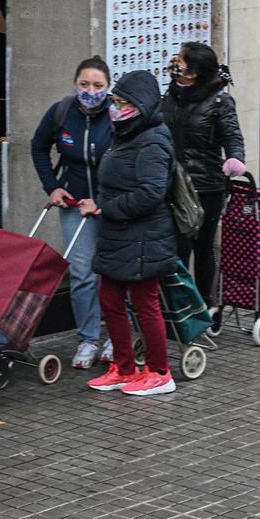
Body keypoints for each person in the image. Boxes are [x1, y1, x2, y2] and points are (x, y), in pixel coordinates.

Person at [85, 70, 181, 397]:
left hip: (143, 235)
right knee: (110, 299)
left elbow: (152, 192)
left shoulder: (153, 139)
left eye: (123, 102)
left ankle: (159, 372)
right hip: (117, 233)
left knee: (145, 302)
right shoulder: (126, 133)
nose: (116, 107)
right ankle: (124, 368)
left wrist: (107, 207)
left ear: (141, 104)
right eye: (115, 101)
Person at [30, 57, 114, 370]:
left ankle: (118, 336)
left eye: (98, 86)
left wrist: (104, 199)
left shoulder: (118, 115)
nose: (90, 91)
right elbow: (38, 148)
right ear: (75, 84)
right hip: (75, 206)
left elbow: (129, 163)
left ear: (108, 88)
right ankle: (88, 338)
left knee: (117, 272)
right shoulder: (61, 112)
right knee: (82, 274)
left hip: (112, 206)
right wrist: (52, 186)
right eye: (84, 84)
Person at [158, 42, 246, 315]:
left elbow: (233, 135)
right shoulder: (171, 94)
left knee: (203, 246)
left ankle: (207, 305)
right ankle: (180, 305)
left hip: (206, 185)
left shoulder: (220, 101)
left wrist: (235, 159)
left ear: (194, 71)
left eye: (181, 59)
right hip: (173, 183)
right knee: (178, 246)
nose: (175, 62)